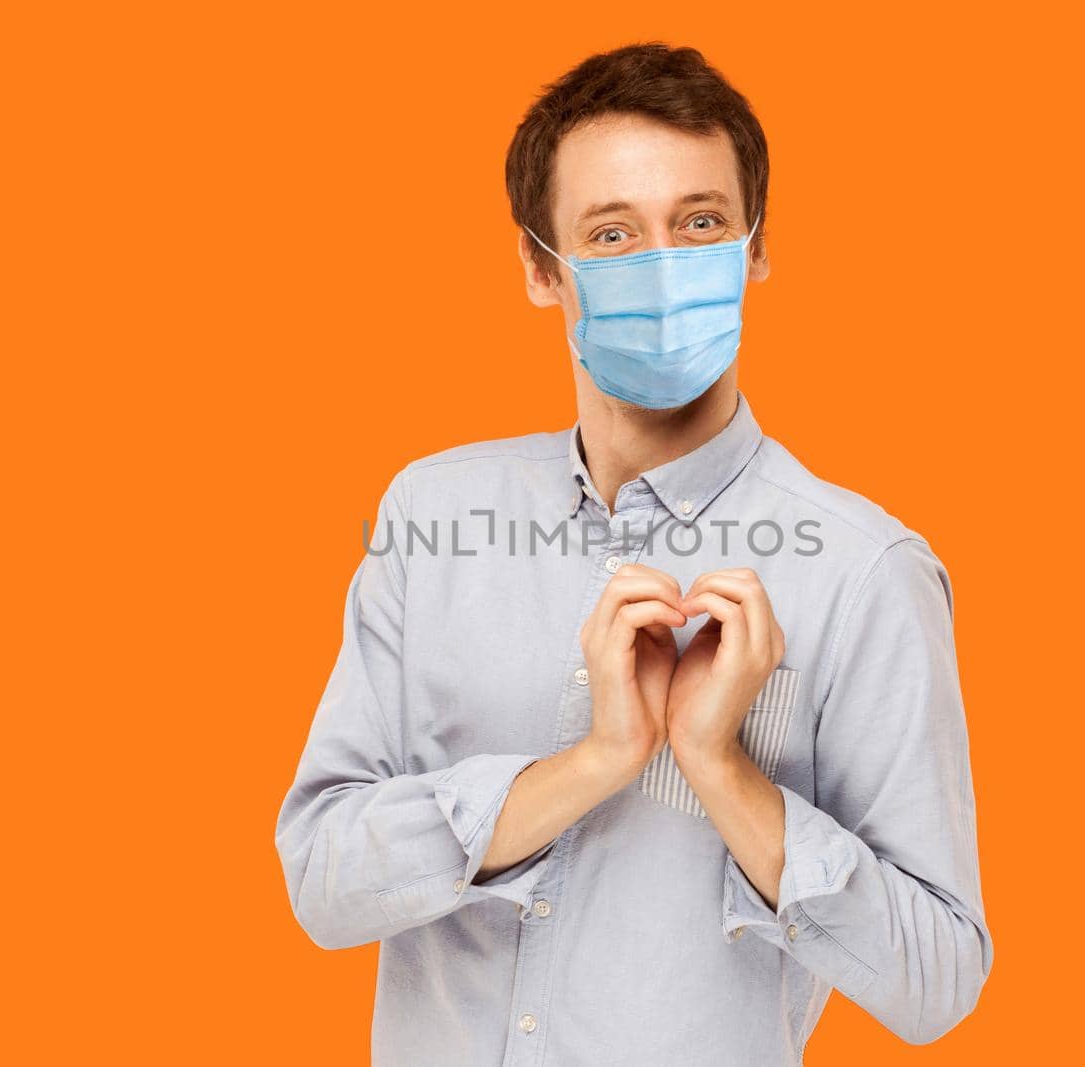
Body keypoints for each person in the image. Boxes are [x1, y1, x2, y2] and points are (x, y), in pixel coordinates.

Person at [275, 42, 993, 1063]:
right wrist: (593, 762)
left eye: (698, 223)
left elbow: (935, 981)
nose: (660, 267)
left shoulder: (864, 570)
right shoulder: (430, 513)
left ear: (754, 247)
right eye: (610, 234)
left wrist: (717, 762)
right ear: (538, 267)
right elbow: (322, 880)